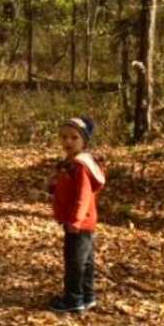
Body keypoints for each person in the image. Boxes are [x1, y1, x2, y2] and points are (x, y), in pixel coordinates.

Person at [48, 116, 105, 313]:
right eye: (64, 137)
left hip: (79, 222)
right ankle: (87, 296)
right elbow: (67, 187)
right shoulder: (70, 163)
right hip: (78, 220)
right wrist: (55, 186)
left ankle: (73, 299)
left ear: (84, 142)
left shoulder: (81, 166)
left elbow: (84, 195)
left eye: (74, 138)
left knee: (75, 262)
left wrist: (76, 220)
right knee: (86, 260)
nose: (68, 142)